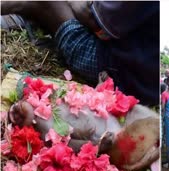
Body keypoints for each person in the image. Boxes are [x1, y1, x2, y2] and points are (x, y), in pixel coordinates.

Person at [1, 1, 159, 106]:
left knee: (48, 2)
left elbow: (92, 19)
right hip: (146, 83)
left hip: (117, 71)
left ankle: (19, 11)